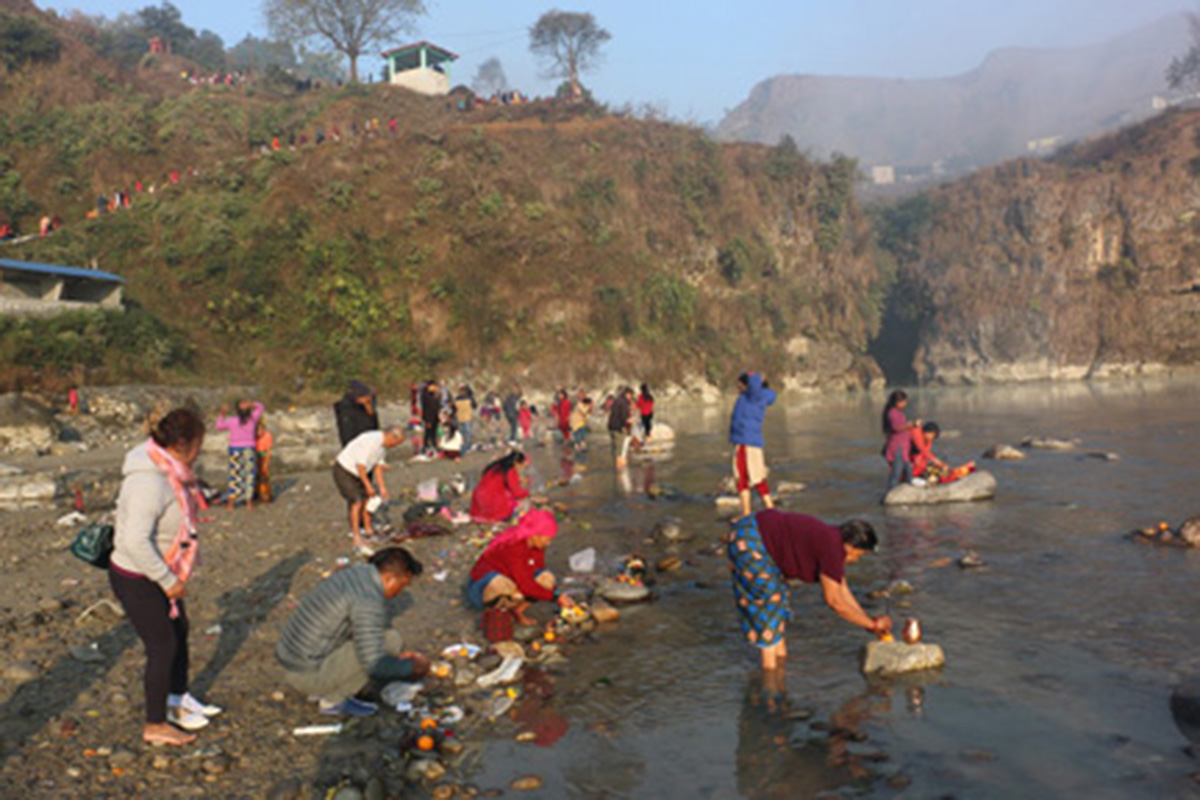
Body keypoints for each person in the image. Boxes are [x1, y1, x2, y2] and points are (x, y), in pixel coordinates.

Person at [110, 408, 221, 746]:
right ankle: (155, 723)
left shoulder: (169, 470)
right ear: (182, 444)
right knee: (162, 646)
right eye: (199, 443)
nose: (201, 450)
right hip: (137, 575)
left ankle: (178, 700)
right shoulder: (149, 482)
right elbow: (134, 542)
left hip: (161, 569)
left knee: (179, 631)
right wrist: (167, 580)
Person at [727, 509, 891, 671]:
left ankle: (780, 665)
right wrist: (871, 624)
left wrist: (868, 622)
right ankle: (770, 680)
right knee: (768, 605)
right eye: (859, 555)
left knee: (778, 603)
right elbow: (835, 601)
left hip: (754, 530)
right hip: (751, 540)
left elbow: (842, 589)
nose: (856, 560)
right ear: (851, 547)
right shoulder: (833, 550)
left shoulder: (833, 540)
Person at [276, 547, 430, 717]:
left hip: (291, 657)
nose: (400, 592)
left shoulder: (355, 574)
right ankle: (333, 700)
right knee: (390, 641)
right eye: (403, 585)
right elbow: (373, 665)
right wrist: (412, 667)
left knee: (380, 640)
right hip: (304, 674)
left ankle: (325, 686)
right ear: (391, 578)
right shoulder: (367, 600)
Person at [466, 510, 575, 625]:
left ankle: (517, 611)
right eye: (547, 539)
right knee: (502, 586)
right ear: (535, 535)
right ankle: (495, 617)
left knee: (546, 578)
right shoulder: (513, 546)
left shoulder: (536, 545)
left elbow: (538, 568)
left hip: (512, 579)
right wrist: (555, 598)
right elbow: (526, 584)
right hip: (482, 587)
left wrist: (557, 593)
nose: (548, 543)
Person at [334, 426, 404, 557]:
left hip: (358, 472)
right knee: (357, 501)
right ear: (391, 437)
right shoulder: (372, 441)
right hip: (344, 469)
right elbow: (360, 466)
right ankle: (356, 536)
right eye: (396, 443)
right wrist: (368, 486)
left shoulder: (383, 447)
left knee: (368, 499)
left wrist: (382, 488)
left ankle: (368, 530)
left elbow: (377, 467)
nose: (395, 447)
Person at [730, 372, 776, 517]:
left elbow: (755, 384)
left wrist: (754, 375)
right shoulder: (751, 397)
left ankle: (764, 511)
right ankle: (760, 510)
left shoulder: (754, 396)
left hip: (747, 443)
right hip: (746, 442)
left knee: (749, 477)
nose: (738, 386)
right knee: (748, 477)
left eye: (740, 383)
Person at [215, 400, 264, 509]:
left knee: (235, 475)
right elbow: (260, 407)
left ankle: (231, 504)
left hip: (235, 449)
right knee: (249, 475)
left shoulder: (232, 420)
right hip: (249, 448)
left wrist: (222, 414)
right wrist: (251, 404)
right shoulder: (252, 419)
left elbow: (218, 426)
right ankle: (248, 503)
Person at [470, 451, 530, 522]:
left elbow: (497, 480)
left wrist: (518, 480)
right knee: (522, 503)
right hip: (491, 504)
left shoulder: (497, 466)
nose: (521, 468)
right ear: (516, 462)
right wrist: (528, 493)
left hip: (478, 503)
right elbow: (517, 493)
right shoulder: (510, 471)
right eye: (522, 465)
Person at [910, 422, 976, 484]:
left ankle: (950, 474)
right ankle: (949, 476)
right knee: (936, 468)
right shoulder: (917, 433)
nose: (932, 438)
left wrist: (941, 464)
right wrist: (938, 463)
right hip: (911, 468)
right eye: (932, 435)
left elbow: (926, 455)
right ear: (927, 432)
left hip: (918, 467)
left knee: (939, 466)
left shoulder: (928, 440)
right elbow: (923, 450)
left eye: (934, 436)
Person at [882, 390, 921, 490]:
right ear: (897, 402)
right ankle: (891, 492)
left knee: (908, 470)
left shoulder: (897, 413)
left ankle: (909, 490)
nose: (905, 404)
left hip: (903, 448)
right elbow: (897, 427)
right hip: (897, 448)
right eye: (903, 401)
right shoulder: (892, 413)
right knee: (896, 473)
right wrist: (912, 424)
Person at [333, 380, 379, 447]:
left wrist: (369, 407)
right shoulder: (346, 410)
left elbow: (374, 426)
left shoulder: (366, 405)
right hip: (355, 444)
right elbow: (347, 435)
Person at [607, 386, 635, 469]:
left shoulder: (617, 400)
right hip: (618, 427)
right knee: (620, 448)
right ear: (628, 394)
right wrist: (626, 424)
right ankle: (620, 467)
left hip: (611, 426)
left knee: (615, 447)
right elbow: (623, 416)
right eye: (631, 396)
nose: (631, 398)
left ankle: (617, 464)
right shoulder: (624, 402)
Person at [254, 418, 274, 503]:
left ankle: (266, 494)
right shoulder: (253, 437)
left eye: (261, 429)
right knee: (256, 474)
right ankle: (257, 492)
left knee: (264, 473)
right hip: (255, 454)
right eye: (258, 430)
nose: (260, 432)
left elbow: (268, 451)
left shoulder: (267, 435)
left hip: (263, 454)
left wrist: (266, 463)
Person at [421, 380, 442, 455]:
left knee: (434, 432)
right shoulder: (426, 395)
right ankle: (426, 446)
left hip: (435, 416)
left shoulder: (434, 394)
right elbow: (426, 408)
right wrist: (427, 420)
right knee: (428, 432)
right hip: (429, 416)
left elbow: (438, 405)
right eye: (433, 386)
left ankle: (434, 445)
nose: (435, 388)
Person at [454, 385, 476, 453]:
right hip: (467, 417)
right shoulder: (470, 398)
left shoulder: (456, 399)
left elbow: (453, 409)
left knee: (461, 433)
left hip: (459, 417)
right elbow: (475, 406)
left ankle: (461, 446)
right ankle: (467, 447)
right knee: (468, 433)